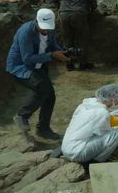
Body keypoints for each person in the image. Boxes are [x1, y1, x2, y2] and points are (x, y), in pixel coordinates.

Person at [6, 9, 70, 140]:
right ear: (36, 21)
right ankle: (22, 115)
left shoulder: (50, 31)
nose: (46, 31)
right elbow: (27, 58)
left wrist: (62, 52)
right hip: (21, 67)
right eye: (43, 28)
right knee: (43, 88)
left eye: (48, 28)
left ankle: (43, 128)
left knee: (50, 96)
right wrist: (51, 55)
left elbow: (53, 45)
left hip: (39, 66)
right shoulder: (26, 32)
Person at [61, 84, 118, 163]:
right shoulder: (102, 113)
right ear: (113, 98)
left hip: (65, 148)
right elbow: (103, 132)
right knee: (116, 133)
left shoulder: (85, 104)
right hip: (77, 154)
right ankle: (97, 162)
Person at [50, 0, 97, 71]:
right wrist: (90, 10)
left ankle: (69, 64)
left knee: (67, 40)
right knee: (82, 39)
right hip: (79, 14)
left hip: (64, 14)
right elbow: (93, 2)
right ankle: (82, 63)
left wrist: (60, 8)